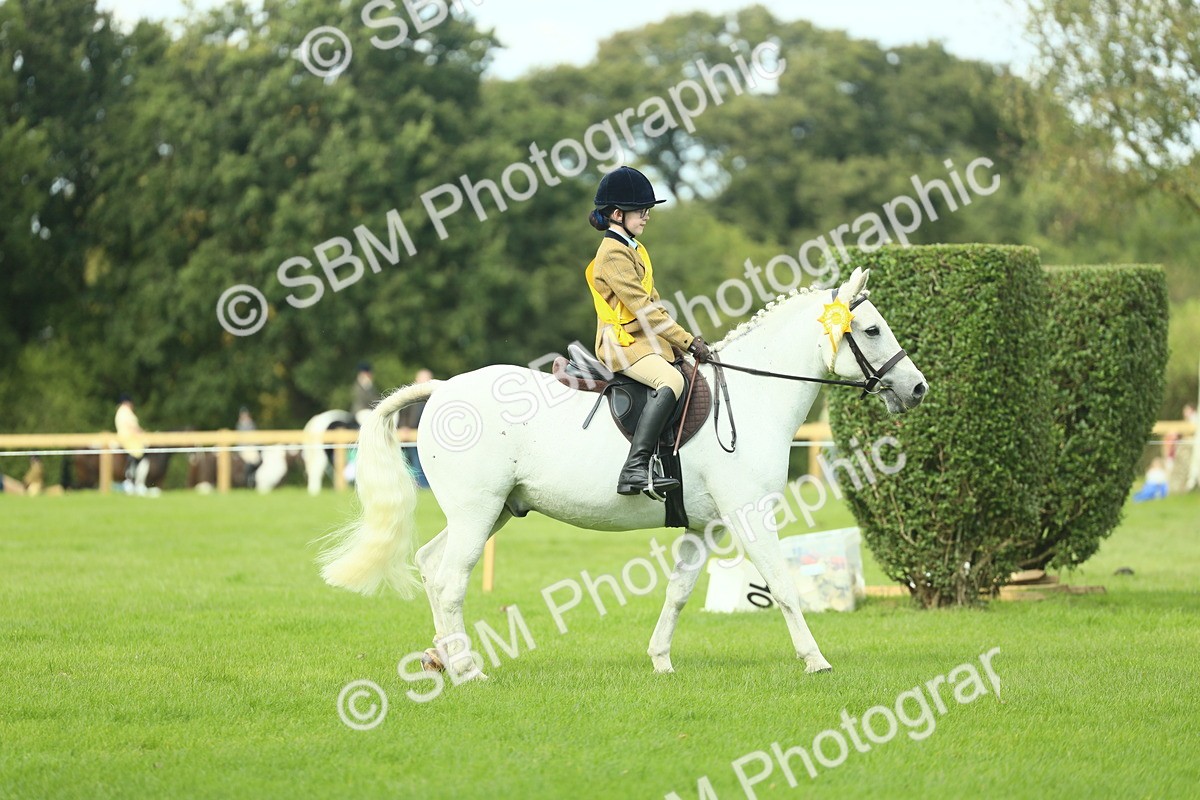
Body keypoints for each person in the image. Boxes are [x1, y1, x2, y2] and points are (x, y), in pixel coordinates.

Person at [586, 165, 710, 496]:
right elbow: (643, 310)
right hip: (620, 343)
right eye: (641, 211)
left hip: (643, 339)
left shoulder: (634, 249)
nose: (647, 216)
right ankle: (634, 469)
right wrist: (687, 339)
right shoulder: (612, 254)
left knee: (678, 367)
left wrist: (678, 346)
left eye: (647, 210)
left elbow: (655, 305)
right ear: (616, 214)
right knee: (671, 380)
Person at [396, 368, 433, 488]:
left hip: (429, 438)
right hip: (412, 436)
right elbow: (403, 415)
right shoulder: (409, 398)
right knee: (415, 462)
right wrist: (403, 427)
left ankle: (425, 486)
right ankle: (421, 486)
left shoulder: (434, 398)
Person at [115, 393, 150, 495]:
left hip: (127, 438)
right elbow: (132, 427)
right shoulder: (125, 412)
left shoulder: (121, 412)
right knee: (141, 454)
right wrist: (142, 433)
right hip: (129, 439)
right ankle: (136, 481)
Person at [236, 406, 261, 488]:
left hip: (251, 447)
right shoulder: (239, 425)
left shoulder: (251, 424)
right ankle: (248, 478)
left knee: (256, 459)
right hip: (243, 448)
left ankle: (251, 478)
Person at [351, 362, 378, 427]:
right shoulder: (358, 386)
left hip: (369, 410)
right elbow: (363, 399)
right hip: (360, 411)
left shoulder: (370, 385)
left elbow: (375, 398)